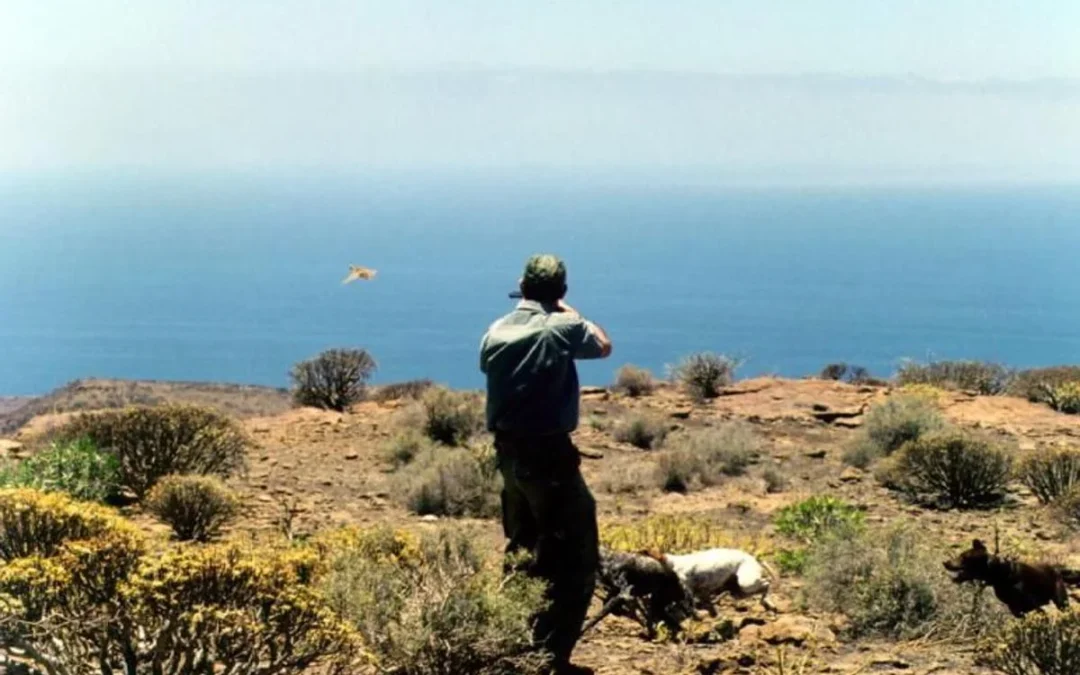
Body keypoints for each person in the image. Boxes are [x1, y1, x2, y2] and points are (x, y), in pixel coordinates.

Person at [479, 254, 613, 675]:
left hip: (507, 455)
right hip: (549, 457)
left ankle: (508, 641)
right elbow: (603, 345)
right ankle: (550, 658)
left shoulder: (497, 330)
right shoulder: (565, 326)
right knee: (574, 554)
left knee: (521, 547)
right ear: (563, 292)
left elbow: (489, 362)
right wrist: (567, 311)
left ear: (521, 285)